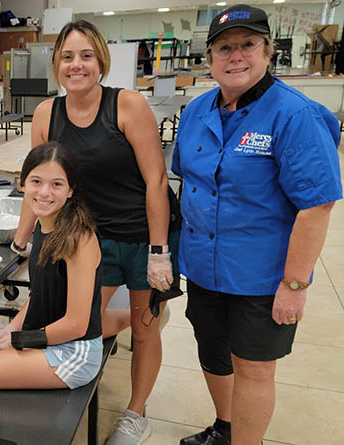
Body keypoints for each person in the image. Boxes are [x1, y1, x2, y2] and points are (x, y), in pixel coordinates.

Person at [172, 5, 342, 445]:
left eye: (248, 45)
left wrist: (295, 284)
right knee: (213, 354)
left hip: (262, 276)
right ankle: (225, 428)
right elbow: (184, 184)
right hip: (205, 269)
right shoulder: (194, 114)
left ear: (268, 52)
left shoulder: (295, 115)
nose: (236, 57)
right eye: (224, 48)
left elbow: (317, 206)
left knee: (253, 366)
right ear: (209, 59)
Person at [11, 20, 180, 445]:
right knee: (78, 321)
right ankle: (124, 319)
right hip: (88, 239)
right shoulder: (47, 113)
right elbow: (38, 182)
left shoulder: (127, 105)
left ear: (101, 60)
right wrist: (20, 239)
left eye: (86, 55)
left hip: (143, 236)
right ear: (56, 64)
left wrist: (160, 251)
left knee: (146, 330)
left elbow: (156, 181)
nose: (76, 65)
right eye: (67, 56)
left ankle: (135, 414)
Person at [0, 141, 103, 432]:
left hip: (73, 352)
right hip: (42, 337)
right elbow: (39, 295)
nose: (44, 192)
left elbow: (77, 325)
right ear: (22, 183)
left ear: (71, 190)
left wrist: (19, 341)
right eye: (36, 182)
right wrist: (11, 328)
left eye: (56, 184)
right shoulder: (44, 224)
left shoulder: (79, 238)